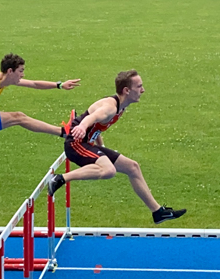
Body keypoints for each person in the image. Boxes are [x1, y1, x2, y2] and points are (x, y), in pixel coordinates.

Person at [48, 69, 187, 224]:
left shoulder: (121, 105)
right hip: (75, 144)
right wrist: (82, 127)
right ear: (126, 90)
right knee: (109, 170)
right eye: (139, 86)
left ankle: (158, 212)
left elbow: (97, 127)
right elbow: (93, 118)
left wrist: (102, 147)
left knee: (132, 167)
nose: (143, 90)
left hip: (87, 144)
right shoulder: (110, 108)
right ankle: (60, 179)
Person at [0, 53, 80, 136]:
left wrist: (60, 85)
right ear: (10, 71)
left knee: (19, 116)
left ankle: (64, 132)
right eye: (20, 71)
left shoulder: (5, 78)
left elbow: (34, 84)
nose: (22, 75)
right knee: (18, 117)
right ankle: (65, 132)